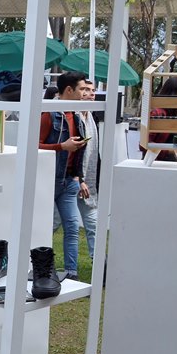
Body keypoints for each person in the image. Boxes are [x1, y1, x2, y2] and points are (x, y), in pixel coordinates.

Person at [39, 71, 90, 280]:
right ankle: (39, 267)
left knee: (72, 226)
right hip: (48, 180)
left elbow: (76, 152)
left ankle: (71, 273)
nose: (85, 93)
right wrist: (62, 146)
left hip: (69, 180)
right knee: (45, 226)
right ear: (69, 90)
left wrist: (79, 177)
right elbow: (33, 144)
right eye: (82, 89)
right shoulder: (49, 114)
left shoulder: (76, 115)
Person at [77, 79, 100, 259]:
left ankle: (99, 263)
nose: (91, 94)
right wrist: (79, 178)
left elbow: (93, 153)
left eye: (93, 90)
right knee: (55, 222)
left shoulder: (92, 117)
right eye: (86, 90)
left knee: (93, 224)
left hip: (88, 182)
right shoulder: (72, 117)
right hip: (72, 180)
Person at [144, 77, 177, 161]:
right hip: (158, 163)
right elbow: (144, 145)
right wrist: (171, 151)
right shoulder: (158, 113)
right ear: (174, 93)